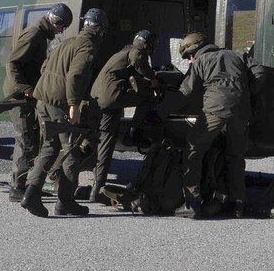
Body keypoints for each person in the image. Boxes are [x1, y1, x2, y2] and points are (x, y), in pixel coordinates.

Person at [157, 32, 262, 219]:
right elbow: (260, 72)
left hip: (215, 110)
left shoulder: (200, 62)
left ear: (195, 52)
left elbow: (185, 92)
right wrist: (245, 93)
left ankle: (192, 203)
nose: (189, 60)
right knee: (235, 156)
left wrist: (160, 112)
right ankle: (237, 204)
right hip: (241, 112)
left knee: (193, 151)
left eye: (189, 56)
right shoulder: (237, 55)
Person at [21, 8, 109, 218]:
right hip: (60, 105)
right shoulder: (87, 46)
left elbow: (44, 67)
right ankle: (65, 201)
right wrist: (73, 105)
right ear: (100, 30)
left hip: (43, 101)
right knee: (72, 151)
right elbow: (75, 76)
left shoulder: (68, 42)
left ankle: (30, 194)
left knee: (49, 147)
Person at [3, 3, 73, 202]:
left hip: (27, 94)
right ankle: (17, 188)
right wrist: (25, 88)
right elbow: (12, 63)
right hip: (19, 95)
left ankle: (27, 185)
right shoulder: (34, 34)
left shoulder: (41, 35)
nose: (62, 31)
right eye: (62, 27)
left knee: (32, 139)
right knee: (25, 140)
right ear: (55, 22)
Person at [89, 29, 159, 203]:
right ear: (147, 45)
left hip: (98, 97)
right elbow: (141, 67)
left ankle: (96, 188)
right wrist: (153, 79)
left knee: (103, 140)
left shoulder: (122, 52)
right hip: (111, 97)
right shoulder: (137, 52)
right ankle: (134, 132)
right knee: (147, 98)